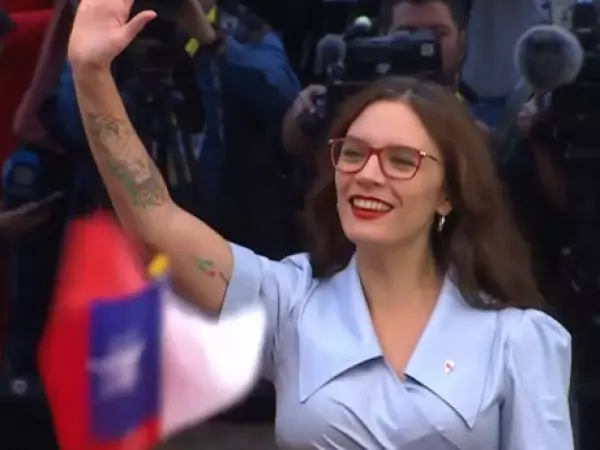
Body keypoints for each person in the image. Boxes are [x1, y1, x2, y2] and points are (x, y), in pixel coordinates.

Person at [68, 0, 573, 448]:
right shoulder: (291, 302)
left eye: (401, 161)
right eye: (353, 153)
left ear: (448, 194)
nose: (368, 174)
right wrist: (91, 75)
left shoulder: (517, 339)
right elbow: (156, 220)